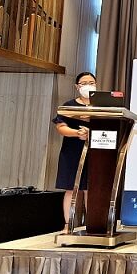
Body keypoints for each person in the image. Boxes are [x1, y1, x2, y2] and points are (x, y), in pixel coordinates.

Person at [52, 71, 96, 232]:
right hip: (72, 152)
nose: (88, 86)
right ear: (77, 87)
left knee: (91, 189)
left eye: (91, 83)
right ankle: (68, 225)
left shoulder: (102, 105)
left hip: (96, 152)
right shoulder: (69, 105)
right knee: (71, 189)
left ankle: (92, 225)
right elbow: (60, 127)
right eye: (84, 83)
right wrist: (77, 133)